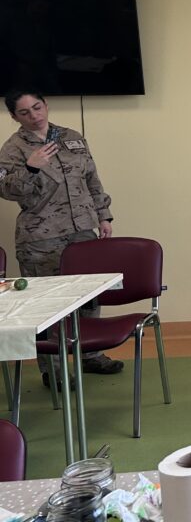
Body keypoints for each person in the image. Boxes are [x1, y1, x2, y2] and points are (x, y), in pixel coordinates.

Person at [0, 90, 124, 389]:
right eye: (24, 112)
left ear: (45, 105)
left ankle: (90, 355)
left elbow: (91, 178)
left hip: (82, 231)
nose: (34, 115)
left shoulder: (71, 137)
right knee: (47, 305)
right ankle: (53, 370)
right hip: (41, 237)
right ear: (14, 116)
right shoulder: (13, 149)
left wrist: (103, 216)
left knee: (88, 296)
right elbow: (6, 191)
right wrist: (31, 167)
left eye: (37, 107)